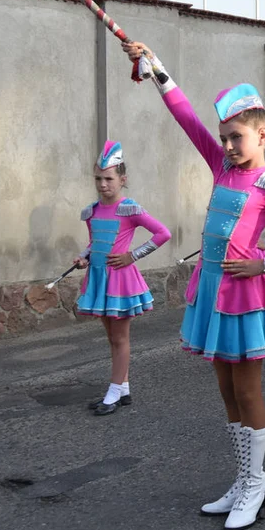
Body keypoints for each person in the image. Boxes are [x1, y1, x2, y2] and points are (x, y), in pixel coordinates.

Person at [123, 41, 265, 530]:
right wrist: (157, 69)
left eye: (236, 137)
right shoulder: (221, 167)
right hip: (212, 290)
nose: (228, 146)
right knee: (224, 387)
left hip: (246, 295)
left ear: (261, 135)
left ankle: (256, 483)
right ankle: (242, 479)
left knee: (248, 387)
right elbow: (186, 119)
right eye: (224, 138)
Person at [75, 141, 171, 416]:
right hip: (98, 279)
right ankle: (123, 387)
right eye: (98, 178)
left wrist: (133, 255)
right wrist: (83, 257)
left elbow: (163, 233)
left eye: (108, 178)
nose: (103, 184)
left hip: (120, 280)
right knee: (111, 337)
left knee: (120, 338)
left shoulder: (129, 209)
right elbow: (95, 243)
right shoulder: (91, 211)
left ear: (122, 179)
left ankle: (114, 392)